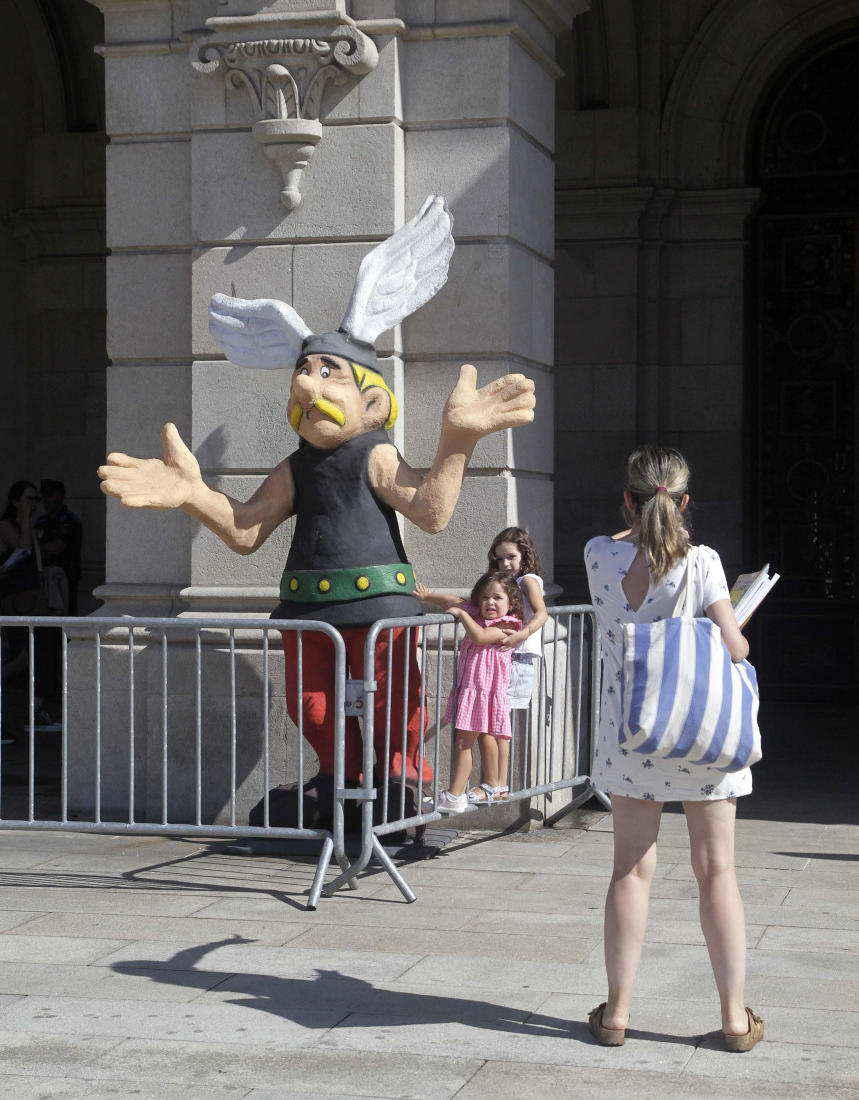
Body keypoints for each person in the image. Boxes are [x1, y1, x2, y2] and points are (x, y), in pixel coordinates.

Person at [98, 196, 536, 827]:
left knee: (391, 701)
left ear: (373, 402)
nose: (309, 384)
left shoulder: (375, 455)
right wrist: (194, 494)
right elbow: (248, 531)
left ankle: (395, 782)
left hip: (380, 603)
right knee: (314, 707)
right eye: (304, 372)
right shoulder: (298, 467)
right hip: (308, 604)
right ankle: (339, 782)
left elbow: (431, 512)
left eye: (329, 373)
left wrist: (457, 442)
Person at [584, 444, 763, 1053]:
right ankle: (734, 1019)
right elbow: (733, 647)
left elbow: (627, 567)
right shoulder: (704, 561)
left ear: (627, 499)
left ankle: (618, 1013)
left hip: (632, 733)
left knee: (631, 870)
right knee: (717, 870)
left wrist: (639, 519)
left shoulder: (598, 555)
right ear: (685, 502)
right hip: (702, 731)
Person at [416, 570, 523, 812]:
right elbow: (452, 601)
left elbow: (481, 636)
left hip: (482, 693)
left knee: (463, 744)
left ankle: (454, 796)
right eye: (484, 598)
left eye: (497, 598)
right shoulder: (477, 613)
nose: (490, 603)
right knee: (482, 737)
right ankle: (492, 786)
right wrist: (428, 596)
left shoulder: (507, 624)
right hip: (474, 690)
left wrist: (463, 616)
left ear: (511, 602)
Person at [488, 526, 548, 794]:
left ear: (524, 555)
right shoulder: (512, 583)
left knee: (499, 724)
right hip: (510, 655)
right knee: (497, 722)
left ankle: (499, 785)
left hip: (518, 656)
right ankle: (498, 784)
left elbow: (542, 613)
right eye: (500, 559)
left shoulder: (527, 581)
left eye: (511, 557)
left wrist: (519, 636)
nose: (506, 564)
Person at [0, 481, 61, 734]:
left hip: (32, 595)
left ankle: (34, 710)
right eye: (28, 498)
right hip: (16, 597)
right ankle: (22, 711)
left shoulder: (32, 526)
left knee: (40, 650)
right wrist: (24, 519)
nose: (33, 504)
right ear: (15, 501)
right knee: (23, 653)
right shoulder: (7, 525)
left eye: (35, 499)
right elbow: (22, 549)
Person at [34, 480, 82, 614]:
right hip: (43, 574)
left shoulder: (69, 520)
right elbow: (32, 549)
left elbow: (54, 549)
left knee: (65, 615)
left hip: (65, 573)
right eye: (43, 496)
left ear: (61, 496)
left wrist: (40, 549)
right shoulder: (41, 521)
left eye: (50, 495)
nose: (46, 500)